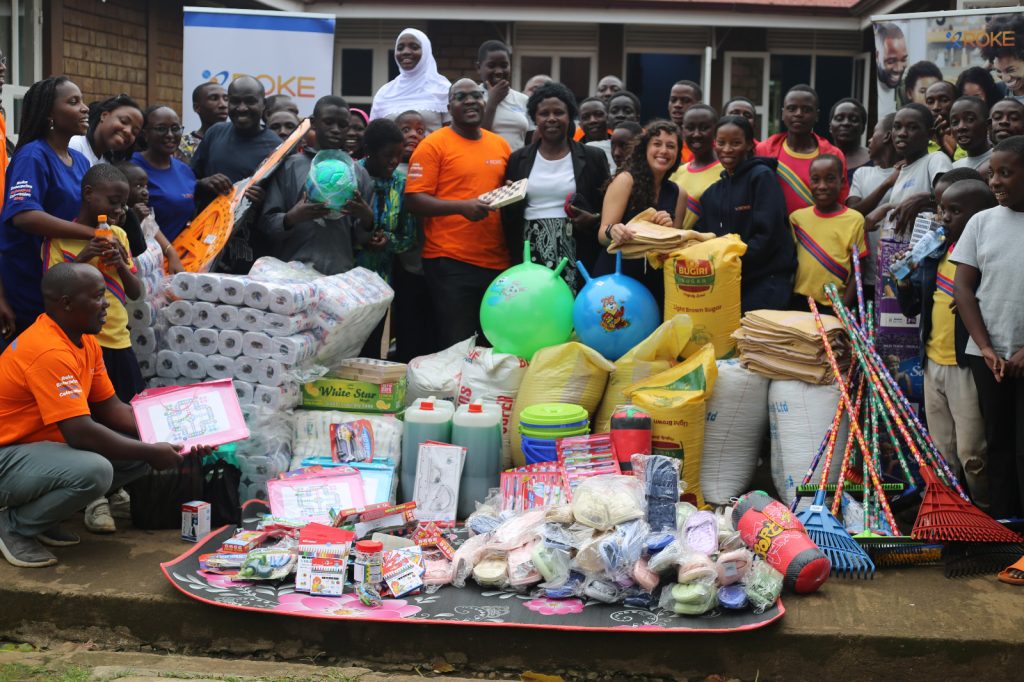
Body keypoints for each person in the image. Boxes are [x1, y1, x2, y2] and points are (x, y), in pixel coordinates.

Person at [0, 263, 203, 567]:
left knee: (136, 454)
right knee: (96, 470)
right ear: (67, 303)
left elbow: (112, 408)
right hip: (7, 457)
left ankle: (38, 519)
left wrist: (178, 435)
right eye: (97, 296)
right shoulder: (49, 351)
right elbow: (80, 433)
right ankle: (14, 526)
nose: (107, 303)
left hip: (33, 453)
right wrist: (151, 450)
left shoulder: (85, 342)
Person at [898, 178, 994, 511]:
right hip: (932, 361)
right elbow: (912, 307)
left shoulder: (983, 257)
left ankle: (986, 513)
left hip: (965, 366)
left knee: (973, 453)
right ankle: (951, 516)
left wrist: (976, 301)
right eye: (941, 210)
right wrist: (904, 280)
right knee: (942, 451)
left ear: (981, 216)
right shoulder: (935, 251)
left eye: (954, 211)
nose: (944, 218)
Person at [405, 79, 512, 348]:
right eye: (461, 96)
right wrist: (461, 207)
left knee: (493, 342)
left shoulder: (500, 145)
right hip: (450, 261)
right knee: (458, 344)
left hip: (497, 261)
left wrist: (511, 189)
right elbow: (414, 200)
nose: (470, 101)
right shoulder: (433, 145)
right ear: (449, 106)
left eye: (476, 95)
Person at [952, 136, 1024, 520]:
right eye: (992, 173)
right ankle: (1006, 529)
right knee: (996, 442)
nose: (995, 181)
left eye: (1005, 173)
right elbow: (963, 290)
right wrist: (985, 348)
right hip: (989, 356)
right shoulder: (981, 222)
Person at [0, 77, 94, 336]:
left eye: (82, 101)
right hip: (31, 285)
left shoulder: (81, 161)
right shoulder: (32, 156)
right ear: (49, 114)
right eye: (73, 102)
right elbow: (24, 215)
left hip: (67, 282)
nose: (85, 108)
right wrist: (91, 233)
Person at [503, 82, 610, 292]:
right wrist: (509, 198)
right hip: (529, 249)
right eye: (544, 113)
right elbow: (509, 216)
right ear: (535, 118)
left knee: (574, 304)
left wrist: (594, 219)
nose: (551, 118)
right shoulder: (518, 159)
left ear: (570, 116)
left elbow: (608, 206)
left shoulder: (593, 157)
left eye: (559, 112)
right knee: (535, 303)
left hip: (578, 248)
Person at [257, 95, 374, 276]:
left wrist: (367, 218)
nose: (336, 130)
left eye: (343, 125)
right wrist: (291, 217)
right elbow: (267, 224)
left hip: (337, 275)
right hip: (290, 275)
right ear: (313, 122)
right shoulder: (289, 166)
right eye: (328, 122)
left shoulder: (358, 173)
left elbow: (362, 239)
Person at [696, 115, 796, 312]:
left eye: (735, 143)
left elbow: (768, 235)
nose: (727, 149)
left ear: (749, 144)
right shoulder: (712, 194)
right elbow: (700, 234)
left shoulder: (762, 177)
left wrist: (729, 261)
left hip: (767, 281)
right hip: (730, 281)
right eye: (721, 143)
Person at [596, 120, 688, 307]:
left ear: (678, 153)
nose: (663, 151)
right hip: (616, 280)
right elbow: (602, 234)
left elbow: (672, 251)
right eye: (657, 144)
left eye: (671, 146)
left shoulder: (679, 193)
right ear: (645, 148)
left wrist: (667, 231)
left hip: (654, 285)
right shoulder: (625, 180)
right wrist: (614, 231)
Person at [356, 119, 419, 358]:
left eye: (398, 155)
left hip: (381, 281)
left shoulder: (401, 184)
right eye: (388, 155)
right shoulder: (351, 176)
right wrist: (360, 238)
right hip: (346, 277)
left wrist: (388, 241)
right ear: (369, 151)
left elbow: (409, 236)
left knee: (372, 347)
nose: (394, 161)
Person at [133, 106, 229, 247]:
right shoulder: (132, 168)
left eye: (175, 128)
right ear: (145, 134)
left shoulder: (185, 170)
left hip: (185, 255)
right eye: (161, 128)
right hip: (148, 255)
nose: (170, 134)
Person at [755, 85, 848, 217]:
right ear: (783, 114)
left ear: (817, 115)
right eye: (792, 108)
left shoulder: (833, 154)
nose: (798, 114)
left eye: (806, 109)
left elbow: (841, 203)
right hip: (774, 228)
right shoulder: (764, 150)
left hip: (819, 228)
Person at [789, 154, 867, 310]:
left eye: (830, 179)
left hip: (836, 306)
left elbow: (859, 272)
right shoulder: (796, 219)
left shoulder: (855, 220)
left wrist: (843, 309)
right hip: (799, 304)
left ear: (842, 182)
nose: (822, 186)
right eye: (816, 180)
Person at [390, 110, 436, 362]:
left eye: (420, 130)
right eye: (406, 129)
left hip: (429, 255)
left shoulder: (430, 165)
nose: (413, 135)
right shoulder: (390, 168)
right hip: (399, 258)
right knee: (406, 320)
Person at [866, 104, 952, 236]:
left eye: (912, 127)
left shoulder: (935, 159)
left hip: (931, 246)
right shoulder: (901, 172)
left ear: (930, 134)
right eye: (897, 127)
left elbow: (949, 198)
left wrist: (922, 199)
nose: (902, 133)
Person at [848, 113, 898, 300]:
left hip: (898, 273)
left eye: (874, 133)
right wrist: (887, 184)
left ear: (886, 136)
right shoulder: (863, 173)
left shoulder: (909, 170)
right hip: (866, 273)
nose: (869, 140)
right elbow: (853, 213)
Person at [370, 28, 451, 133]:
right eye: (400, 48)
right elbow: (374, 134)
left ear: (426, 50)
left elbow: (452, 134)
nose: (406, 52)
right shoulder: (384, 93)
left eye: (414, 47)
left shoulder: (443, 88)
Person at [115, 161, 185, 276]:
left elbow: (157, 234)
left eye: (145, 186)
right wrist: (135, 219)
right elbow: (127, 248)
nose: (145, 192)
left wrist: (172, 255)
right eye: (138, 186)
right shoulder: (116, 218)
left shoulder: (146, 215)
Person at [670, 104, 721, 230]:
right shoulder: (675, 172)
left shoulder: (727, 172)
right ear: (682, 130)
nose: (696, 134)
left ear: (716, 130)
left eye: (704, 128)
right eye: (690, 128)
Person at [476, 40, 531, 152]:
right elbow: (475, 137)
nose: (499, 71)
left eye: (504, 65)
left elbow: (531, 143)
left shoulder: (523, 100)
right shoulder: (471, 98)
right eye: (491, 65)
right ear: (478, 67)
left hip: (517, 162)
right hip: (483, 161)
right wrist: (492, 102)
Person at [69, 94, 143, 166]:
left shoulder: (107, 163)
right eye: (124, 121)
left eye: (134, 132)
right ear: (104, 116)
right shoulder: (75, 146)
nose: (128, 131)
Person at [178, 82, 228, 164]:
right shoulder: (184, 143)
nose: (223, 105)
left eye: (226, 99)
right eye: (214, 98)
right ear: (197, 107)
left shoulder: (238, 138)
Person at [981, 13, 1024, 100]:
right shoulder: (999, 90)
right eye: (998, 71)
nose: (1005, 79)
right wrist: (985, 69)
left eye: (1011, 70)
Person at [829, 98, 869, 178]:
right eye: (839, 119)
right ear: (830, 127)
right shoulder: (817, 157)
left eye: (854, 119)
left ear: (863, 128)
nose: (846, 123)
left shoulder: (876, 160)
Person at [950, 97, 993, 172]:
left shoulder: (1001, 161)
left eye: (970, 119)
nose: (961, 127)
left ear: (988, 124)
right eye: (955, 122)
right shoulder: (953, 168)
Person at [668, 80, 701, 163]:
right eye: (673, 100)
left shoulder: (705, 144)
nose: (677, 105)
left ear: (699, 105)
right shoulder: (657, 138)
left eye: (685, 100)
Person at [924, 80, 958, 159]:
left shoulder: (967, 136)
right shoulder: (920, 140)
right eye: (930, 102)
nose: (936, 107)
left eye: (944, 100)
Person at [396, 110, 426, 174]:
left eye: (419, 131)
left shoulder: (430, 168)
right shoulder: (383, 169)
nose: (413, 134)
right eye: (406, 130)